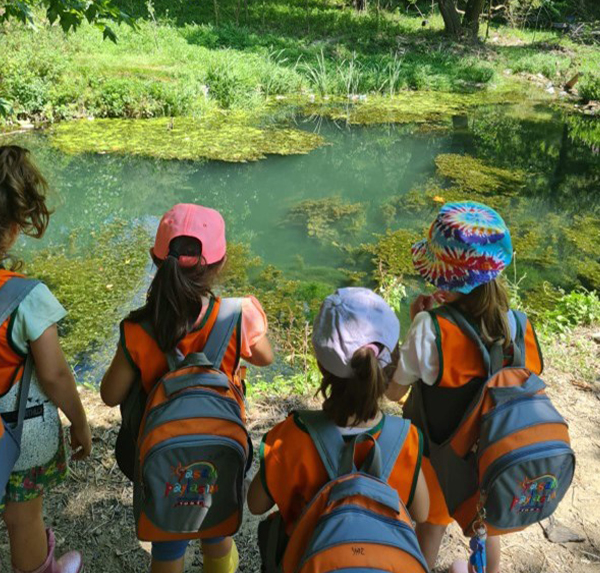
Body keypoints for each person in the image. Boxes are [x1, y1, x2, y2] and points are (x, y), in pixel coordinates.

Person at [101, 203, 273, 573]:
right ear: (220, 263)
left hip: (168, 461)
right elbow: (266, 357)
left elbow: (109, 395)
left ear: (155, 259)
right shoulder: (238, 316)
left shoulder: (137, 330)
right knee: (217, 535)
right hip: (218, 451)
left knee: (166, 547)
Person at [387, 201, 544, 573]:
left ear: (441, 276)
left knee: (432, 524)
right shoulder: (518, 327)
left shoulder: (431, 328)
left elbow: (394, 393)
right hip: (493, 454)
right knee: (486, 526)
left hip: (442, 459)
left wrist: (417, 325)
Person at [247, 287, 429, 562]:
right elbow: (423, 513)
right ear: (388, 361)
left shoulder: (291, 437)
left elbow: (256, 504)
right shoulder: (406, 439)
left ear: (321, 365)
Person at [0, 145, 92, 573]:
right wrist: (80, 420)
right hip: (19, 439)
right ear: (16, 226)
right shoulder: (28, 298)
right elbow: (53, 375)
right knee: (23, 516)